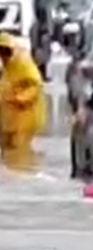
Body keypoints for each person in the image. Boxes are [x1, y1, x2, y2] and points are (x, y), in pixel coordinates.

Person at [0, 32, 47, 172]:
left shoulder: (22, 64)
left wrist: (19, 99)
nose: (3, 55)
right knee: (8, 150)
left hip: (24, 119)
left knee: (18, 152)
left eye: (4, 50)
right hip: (10, 120)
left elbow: (35, 85)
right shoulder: (8, 67)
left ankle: (20, 172)